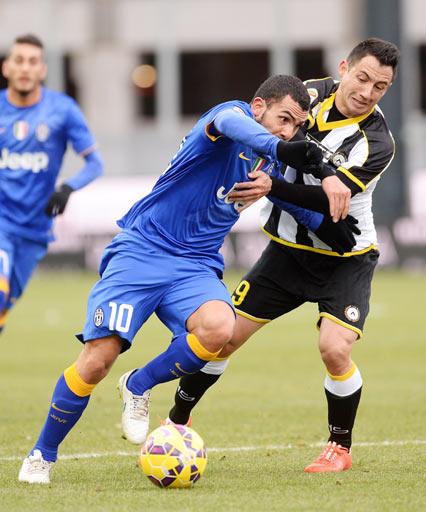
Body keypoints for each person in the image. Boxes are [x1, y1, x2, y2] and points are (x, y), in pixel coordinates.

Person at [18, 73, 356, 484]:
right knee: (97, 359)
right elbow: (239, 128)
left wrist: (327, 224)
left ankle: (138, 385)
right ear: (258, 107)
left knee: (220, 328)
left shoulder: (270, 159)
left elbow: (281, 193)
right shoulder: (228, 116)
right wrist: (283, 146)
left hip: (195, 264)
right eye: (283, 118)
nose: (288, 130)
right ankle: (42, 454)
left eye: (295, 126)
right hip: (142, 250)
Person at [164, 38, 400, 473]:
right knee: (224, 338)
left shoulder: (376, 142)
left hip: (346, 256)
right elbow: (260, 127)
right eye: (363, 78)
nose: (367, 91)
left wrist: (272, 187)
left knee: (334, 349)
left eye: (380, 86)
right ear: (344, 67)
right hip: (286, 252)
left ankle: (339, 449)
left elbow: (327, 204)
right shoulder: (305, 95)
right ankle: (176, 421)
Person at [0, 34, 104, 333]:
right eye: (18, 60)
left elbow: (95, 163)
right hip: (2, 220)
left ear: (42, 70)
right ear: (7, 67)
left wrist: (67, 187)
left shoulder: (62, 110)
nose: (25, 68)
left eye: (32, 62)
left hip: (35, 228)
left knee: (4, 303)